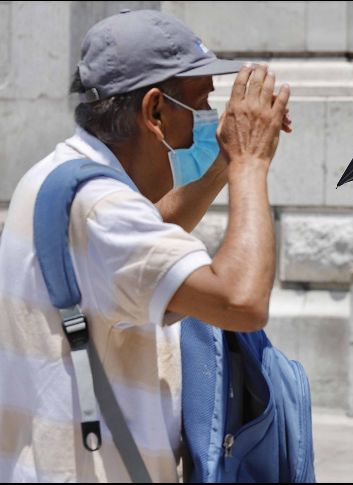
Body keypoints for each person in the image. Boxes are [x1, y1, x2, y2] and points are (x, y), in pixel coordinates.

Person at [0, 10, 291, 482]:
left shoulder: (60, 177)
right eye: (201, 103)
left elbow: (147, 232)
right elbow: (242, 300)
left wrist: (220, 165)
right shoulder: (104, 212)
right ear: (155, 111)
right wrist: (249, 162)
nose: (213, 119)